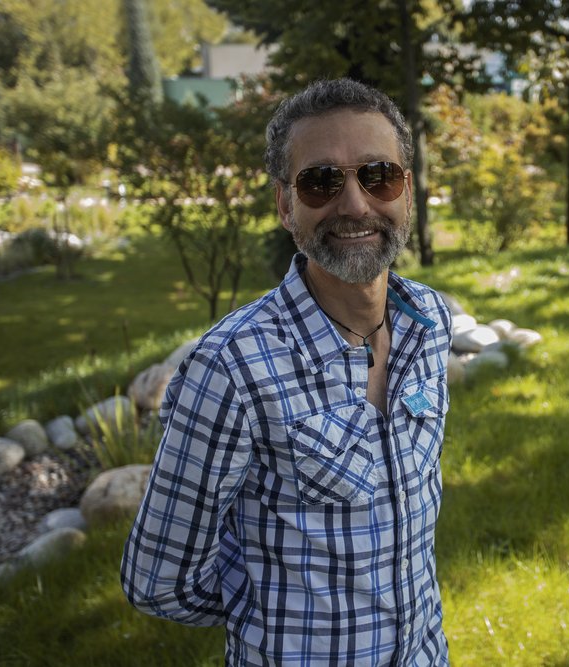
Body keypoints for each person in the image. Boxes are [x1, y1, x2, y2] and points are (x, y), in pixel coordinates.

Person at [121, 78, 452, 666]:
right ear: (285, 205)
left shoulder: (427, 323)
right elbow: (159, 579)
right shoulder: (231, 368)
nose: (354, 204)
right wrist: (276, 604)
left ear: (407, 192)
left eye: (379, 176)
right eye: (321, 182)